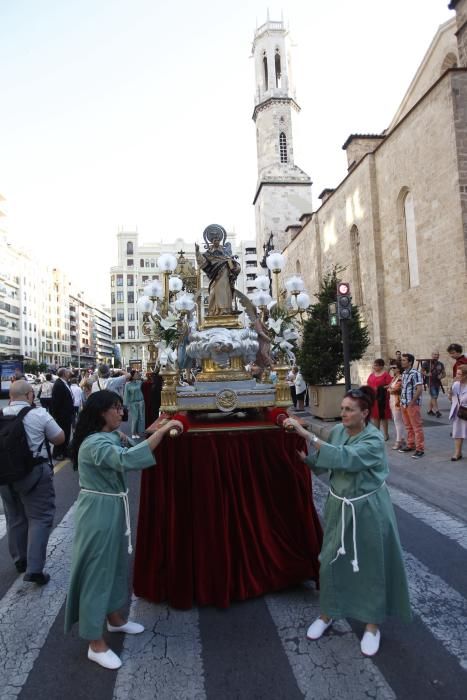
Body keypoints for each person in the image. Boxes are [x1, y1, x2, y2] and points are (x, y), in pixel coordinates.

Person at [283, 386, 411, 657]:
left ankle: (372, 625)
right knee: (330, 559)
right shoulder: (341, 430)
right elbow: (328, 437)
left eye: (349, 409)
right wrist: (307, 450)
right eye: (342, 408)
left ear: (364, 413)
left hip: (368, 509)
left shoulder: (374, 440)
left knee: (370, 565)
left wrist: (305, 433)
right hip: (339, 506)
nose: (343, 413)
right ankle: (328, 613)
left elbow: (344, 458)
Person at [64, 390, 182, 669]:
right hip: (98, 511)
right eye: (115, 408)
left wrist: (157, 428)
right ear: (100, 413)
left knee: (115, 565)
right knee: (97, 571)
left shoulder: (110, 437)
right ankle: (95, 642)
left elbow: (132, 447)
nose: (121, 413)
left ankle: (115, 620)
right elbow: (128, 460)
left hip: (111, 507)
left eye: (120, 407)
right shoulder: (95, 444)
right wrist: (163, 431)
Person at [0, 380, 64, 584]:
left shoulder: (1, 415)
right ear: (29, 395)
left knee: (15, 517)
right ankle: (35, 569)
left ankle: (20, 560)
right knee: (40, 517)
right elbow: (59, 439)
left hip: (4, 476)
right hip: (34, 474)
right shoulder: (38, 414)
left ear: (10, 397)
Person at [195, 231, 241, 316]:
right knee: (213, 292)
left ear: (220, 240)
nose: (216, 241)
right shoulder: (209, 253)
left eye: (217, 239)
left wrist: (233, 264)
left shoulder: (225, 251)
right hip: (215, 276)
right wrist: (197, 252)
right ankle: (214, 311)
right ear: (211, 241)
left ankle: (225, 310)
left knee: (224, 291)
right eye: (214, 240)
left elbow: (232, 263)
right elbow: (202, 262)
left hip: (225, 274)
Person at [399, 353, 425, 459]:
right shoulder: (404, 373)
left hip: (412, 404)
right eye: (402, 360)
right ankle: (411, 444)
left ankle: (420, 449)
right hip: (404, 404)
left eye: (404, 360)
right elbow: (404, 388)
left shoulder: (415, 373)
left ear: (410, 362)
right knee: (408, 426)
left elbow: (419, 389)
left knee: (417, 427)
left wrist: (412, 401)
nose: (402, 362)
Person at [50, 367, 74, 460]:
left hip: (67, 414)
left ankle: (64, 451)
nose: (70, 373)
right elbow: (56, 402)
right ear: (64, 374)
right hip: (62, 415)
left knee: (67, 433)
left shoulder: (65, 383)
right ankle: (57, 453)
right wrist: (56, 415)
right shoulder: (59, 384)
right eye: (68, 372)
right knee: (61, 434)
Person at [366, 359, 392, 440]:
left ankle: (386, 434)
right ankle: (377, 434)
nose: (374, 367)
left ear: (381, 366)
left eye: (376, 365)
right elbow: (368, 384)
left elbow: (390, 385)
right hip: (374, 398)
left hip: (383, 398)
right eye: (374, 365)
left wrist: (380, 388)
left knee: (383, 416)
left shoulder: (386, 375)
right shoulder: (372, 375)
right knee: (375, 417)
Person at [448, 365, 467, 461]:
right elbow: (450, 398)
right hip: (458, 412)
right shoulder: (456, 384)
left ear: (465, 376)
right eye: (457, 373)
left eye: (459, 374)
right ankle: (457, 453)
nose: (457, 375)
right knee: (457, 432)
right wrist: (450, 390)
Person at [387, 363, 406, 450]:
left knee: (398, 420)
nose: (392, 369)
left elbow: (395, 390)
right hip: (393, 400)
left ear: (398, 369)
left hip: (397, 402)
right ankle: (401, 438)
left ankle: (399, 441)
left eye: (394, 368)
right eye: (392, 368)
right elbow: (390, 387)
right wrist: (390, 389)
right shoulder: (395, 377)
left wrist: (389, 389)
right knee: (397, 420)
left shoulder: (400, 378)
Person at [421, 351, 445, 417]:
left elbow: (444, 373)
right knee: (434, 396)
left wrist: (441, 376)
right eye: (435, 354)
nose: (436, 356)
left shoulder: (440, 364)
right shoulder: (427, 363)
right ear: (432, 355)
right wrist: (427, 374)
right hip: (430, 382)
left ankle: (429, 410)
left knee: (434, 397)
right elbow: (421, 371)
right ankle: (437, 411)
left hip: (437, 382)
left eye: (437, 355)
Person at [123, 370, 145, 439]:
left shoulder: (140, 382)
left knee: (140, 418)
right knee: (134, 418)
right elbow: (126, 395)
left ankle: (138, 432)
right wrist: (126, 405)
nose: (137, 375)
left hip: (141, 402)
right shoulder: (127, 384)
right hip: (133, 403)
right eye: (135, 374)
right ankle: (133, 432)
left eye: (137, 374)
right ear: (132, 376)